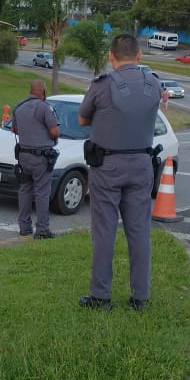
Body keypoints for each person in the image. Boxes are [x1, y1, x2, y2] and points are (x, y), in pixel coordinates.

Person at [77, 33, 161, 312]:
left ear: (111, 56)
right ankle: (141, 297)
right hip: (142, 164)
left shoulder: (102, 85)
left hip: (108, 166)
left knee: (104, 231)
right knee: (139, 232)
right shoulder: (154, 83)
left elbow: (82, 118)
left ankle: (100, 296)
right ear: (139, 56)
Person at [10, 79, 60, 238]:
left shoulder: (19, 107)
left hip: (24, 155)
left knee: (25, 190)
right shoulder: (44, 108)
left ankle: (24, 227)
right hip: (41, 157)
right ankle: (42, 230)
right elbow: (54, 132)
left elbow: (14, 129)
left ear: (31, 91)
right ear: (44, 93)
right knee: (42, 193)